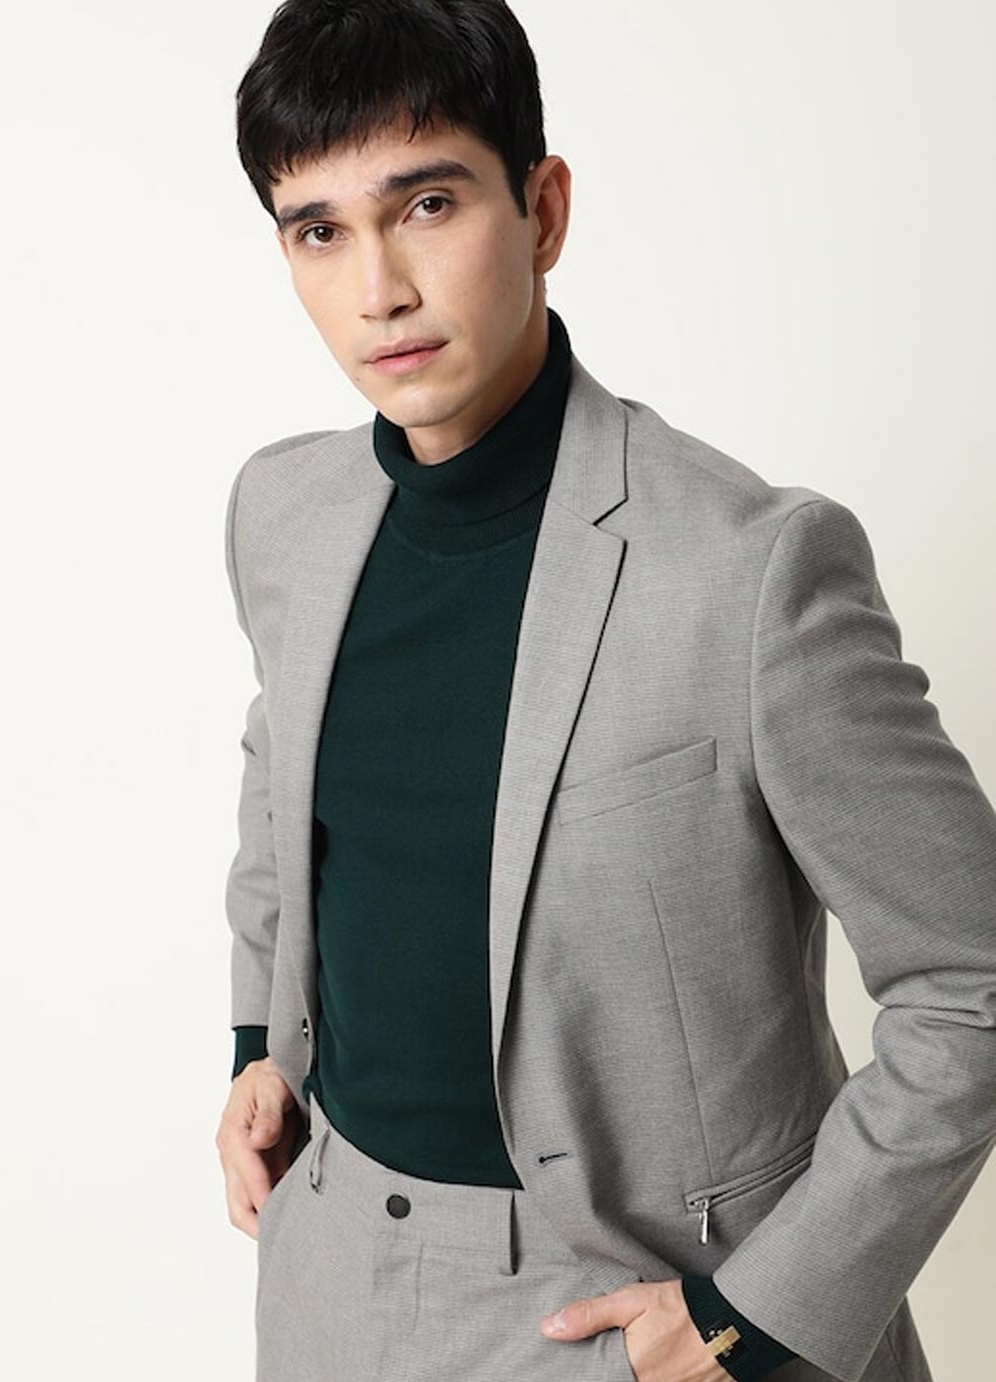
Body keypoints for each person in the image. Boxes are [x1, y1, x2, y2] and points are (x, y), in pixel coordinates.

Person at [213, 3, 996, 1381]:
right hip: (330, 1281)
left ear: (544, 209)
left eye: (428, 204)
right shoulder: (285, 512)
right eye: (319, 230)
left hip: (641, 1311)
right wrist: (254, 1049)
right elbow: (287, 789)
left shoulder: (750, 569)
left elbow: (973, 980)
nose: (378, 288)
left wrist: (758, 1315)